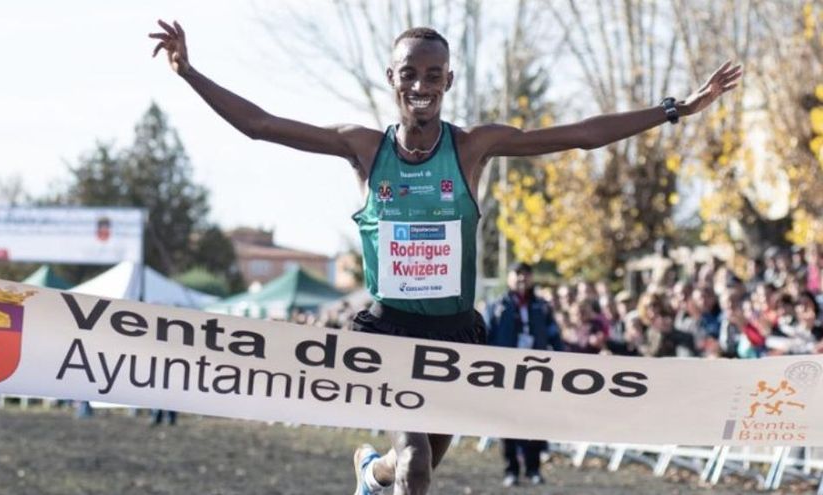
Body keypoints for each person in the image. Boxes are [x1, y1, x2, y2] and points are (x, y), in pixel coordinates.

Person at [148, 19, 742, 495]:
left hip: (459, 335)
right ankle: (386, 471)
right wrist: (190, 72)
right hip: (390, 333)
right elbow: (262, 126)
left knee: (419, 463)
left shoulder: (473, 147)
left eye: (433, 74)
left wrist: (678, 109)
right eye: (410, 74)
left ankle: (368, 473)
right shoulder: (362, 148)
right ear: (392, 78)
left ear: (449, 80)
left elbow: (580, 134)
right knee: (417, 471)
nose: (421, 85)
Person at [484, 262, 561, 487]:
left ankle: (534, 469)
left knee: (535, 421)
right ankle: (511, 470)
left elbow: (554, 335)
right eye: (517, 274)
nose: (521, 279)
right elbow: (487, 337)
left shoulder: (542, 307)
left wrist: (563, 360)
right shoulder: (497, 306)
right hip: (506, 373)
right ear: (509, 277)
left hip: (536, 371)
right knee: (507, 422)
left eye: (525, 275)